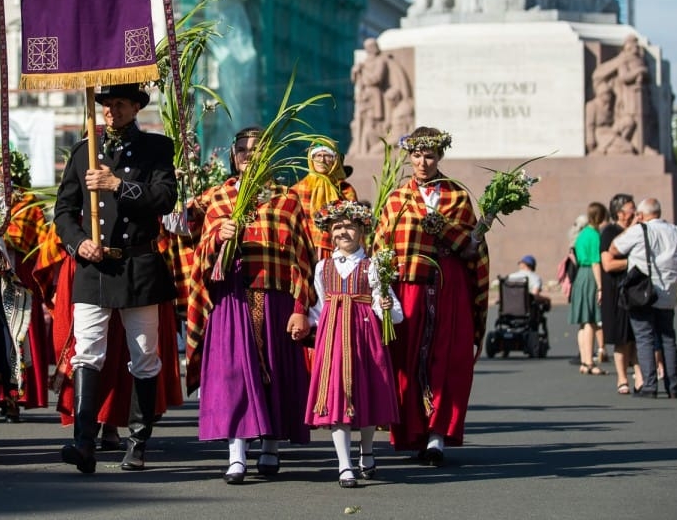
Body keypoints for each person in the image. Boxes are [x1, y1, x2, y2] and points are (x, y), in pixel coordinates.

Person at [53, 83, 177, 474]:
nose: (111, 110)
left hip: (138, 266)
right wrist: (78, 243)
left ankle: (138, 441)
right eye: (106, 104)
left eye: (119, 104)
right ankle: (84, 442)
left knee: (143, 356)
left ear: (137, 107)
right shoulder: (83, 150)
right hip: (95, 267)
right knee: (86, 351)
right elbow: (63, 211)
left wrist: (117, 186)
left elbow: (165, 198)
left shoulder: (157, 149)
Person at [186, 126, 315, 485]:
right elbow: (196, 252)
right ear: (233, 155)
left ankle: (271, 447)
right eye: (241, 149)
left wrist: (300, 307)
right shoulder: (219, 198)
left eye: (255, 149)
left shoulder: (287, 199)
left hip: (276, 298)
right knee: (233, 375)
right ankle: (236, 455)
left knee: (275, 370)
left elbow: (304, 258)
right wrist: (217, 237)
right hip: (232, 297)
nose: (247, 154)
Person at [374, 126, 488, 466]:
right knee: (406, 360)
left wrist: (446, 229)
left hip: (446, 283)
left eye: (430, 155)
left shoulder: (457, 196)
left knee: (445, 358)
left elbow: (471, 249)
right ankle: (414, 433)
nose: (423, 162)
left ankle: (438, 434)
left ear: (439, 156)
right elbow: (381, 246)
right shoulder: (396, 198)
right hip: (406, 285)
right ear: (409, 157)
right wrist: (381, 287)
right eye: (417, 155)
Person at [305, 200, 401, 489]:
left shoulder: (374, 266)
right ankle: (344, 464)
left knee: (366, 393)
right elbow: (320, 306)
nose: (343, 232)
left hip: (364, 335)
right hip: (333, 336)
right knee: (337, 396)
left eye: (349, 226)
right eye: (337, 227)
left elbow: (394, 312)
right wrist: (307, 326)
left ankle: (368, 450)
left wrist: (385, 306)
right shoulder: (323, 267)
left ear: (361, 231)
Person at [0, 143, 51, 421]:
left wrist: (6, 238)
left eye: (6, 165)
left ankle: (17, 395)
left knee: (19, 336)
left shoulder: (28, 202)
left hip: (18, 276)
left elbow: (38, 242)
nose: (0, 170)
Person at [607, 197, 677, 398]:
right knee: (668, 339)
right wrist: (676, 274)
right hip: (668, 292)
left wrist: (633, 226)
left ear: (642, 215)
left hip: (643, 292)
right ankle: (673, 386)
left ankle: (650, 386)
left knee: (644, 338)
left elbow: (614, 248)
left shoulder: (639, 230)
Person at [599, 194, 642, 394]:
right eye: (631, 208)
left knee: (638, 336)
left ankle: (640, 378)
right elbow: (608, 264)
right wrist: (634, 263)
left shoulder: (639, 231)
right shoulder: (609, 232)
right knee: (622, 338)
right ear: (620, 212)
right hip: (616, 291)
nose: (635, 212)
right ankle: (622, 378)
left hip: (638, 290)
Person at [290, 138, 358, 262]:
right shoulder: (298, 190)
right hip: (304, 251)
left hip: (338, 251)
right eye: (318, 155)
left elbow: (355, 226)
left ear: (335, 160)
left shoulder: (345, 190)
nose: (322, 160)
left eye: (327, 156)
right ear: (311, 159)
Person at [569, 202, 606, 375]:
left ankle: (584, 361)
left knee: (583, 323)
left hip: (580, 276)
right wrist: (600, 286)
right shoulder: (594, 235)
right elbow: (595, 262)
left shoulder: (582, 234)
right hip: (590, 276)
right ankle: (590, 362)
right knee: (591, 319)